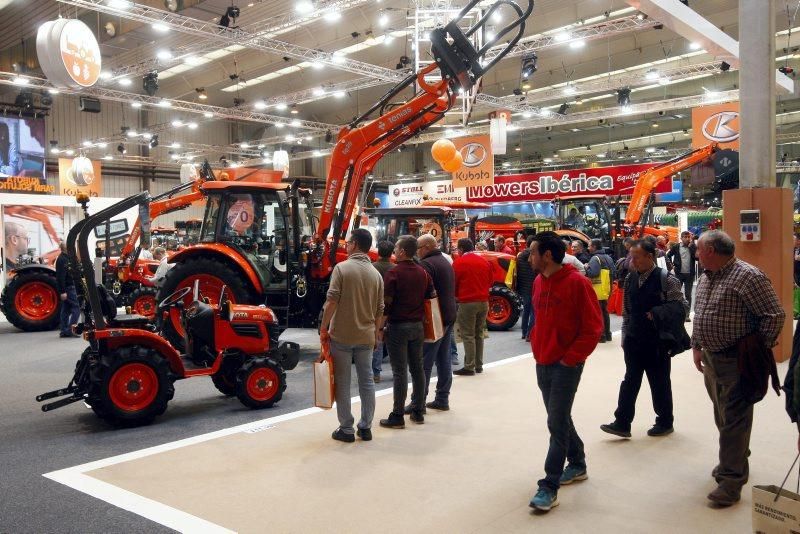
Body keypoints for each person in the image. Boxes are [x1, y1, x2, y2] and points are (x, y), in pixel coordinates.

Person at [692, 230, 785, 506]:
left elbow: (774, 315)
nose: (696, 254)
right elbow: (701, 314)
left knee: (734, 419)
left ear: (712, 251)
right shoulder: (708, 276)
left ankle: (731, 481)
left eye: (699, 250)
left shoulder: (749, 276)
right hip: (712, 359)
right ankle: (736, 458)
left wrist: (756, 348)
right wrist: (698, 346)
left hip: (737, 361)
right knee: (724, 416)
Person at [527, 231, 602, 512]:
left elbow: (593, 327)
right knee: (558, 417)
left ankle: (549, 485)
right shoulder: (538, 281)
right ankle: (578, 462)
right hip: (543, 359)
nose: (529, 256)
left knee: (556, 422)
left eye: (533, 252)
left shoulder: (577, 283)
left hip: (565, 365)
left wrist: (570, 359)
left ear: (547, 255)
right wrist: (537, 344)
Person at [600, 238, 687, 439]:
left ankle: (665, 421)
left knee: (659, 382)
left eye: (636, 256)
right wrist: (624, 334)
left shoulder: (667, 279)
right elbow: (627, 310)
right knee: (630, 381)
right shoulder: (630, 278)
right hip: (634, 339)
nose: (632, 260)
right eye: (631, 256)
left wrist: (658, 312)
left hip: (658, 341)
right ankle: (622, 422)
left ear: (650, 256)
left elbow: (683, 307)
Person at [319, 228, 385, 443]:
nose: (346, 246)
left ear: (355, 244)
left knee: (343, 381)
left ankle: (346, 428)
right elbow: (380, 309)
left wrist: (323, 327)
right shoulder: (376, 274)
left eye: (348, 243)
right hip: (366, 336)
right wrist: (376, 334)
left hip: (342, 335)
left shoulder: (342, 269)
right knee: (367, 381)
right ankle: (366, 427)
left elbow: (332, 301)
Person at [379, 235, 435, 429]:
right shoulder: (423, 272)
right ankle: (418, 411)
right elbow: (431, 296)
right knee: (417, 368)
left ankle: (397, 415)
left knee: (399, 372)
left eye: (396, 247)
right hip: (418, 326)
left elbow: (386, 305)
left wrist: (380, 327)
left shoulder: (394, 274)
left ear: (402, 251)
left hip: (398, 327)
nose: (394, 250)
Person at [406, 234, 456, 412]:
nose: (416, 253)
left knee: (423, 362)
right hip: (448, 315)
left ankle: (417, 402)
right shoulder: (444, 261)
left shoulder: (427, 264)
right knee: (444, 360)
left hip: (435, 318)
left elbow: (422, 292)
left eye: (418, 249)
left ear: (426, 247)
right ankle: (442, 398)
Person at [452, 238, 493, 376]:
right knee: (479, 333)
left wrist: (456, 295)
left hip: (468, 302)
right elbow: (490, 280)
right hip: (484, 301)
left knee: (467, 334)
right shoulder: (484, 261)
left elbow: (454, 284)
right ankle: (478, 364)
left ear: (461, 249)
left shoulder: (459, 263)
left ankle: (469, 366)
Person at [371, 240, 395, 383]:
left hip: (376, 310)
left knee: (378, 341)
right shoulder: (395, 268)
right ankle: (396, 372)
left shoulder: (372, 268)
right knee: (393, 343)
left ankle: (376, 373)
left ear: (378, 251)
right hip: (393, 310)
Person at [585, 239, 616, 343]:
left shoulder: (595, 258)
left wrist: (586, 268)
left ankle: (601, 335)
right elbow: (614, 272)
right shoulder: (608, 257)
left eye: (589, 246)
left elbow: (593, 273)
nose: (588, 248)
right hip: (607, 288)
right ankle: (608, 334)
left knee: (598, 312)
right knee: (604, 311)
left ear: (594, 247)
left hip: (597, 289)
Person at [666, 231, 697, 317]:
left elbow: (697, 258)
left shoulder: (693, 246)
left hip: (689, 274)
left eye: (688, 237)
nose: (687, 238)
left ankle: (687, 314)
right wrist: (671, 265)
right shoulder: (676, 247)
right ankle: (678, 313)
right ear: (681, 238)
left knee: (688, 294)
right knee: (677, 293)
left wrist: (692, 248)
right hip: (679, 273)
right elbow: (668, 255)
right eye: (685, 237)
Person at [55, 241, 80, 338]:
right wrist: (62, 291)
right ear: (66, 248)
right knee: (76, 308)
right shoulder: (62, 260)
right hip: (69, 287)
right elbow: (60, 277)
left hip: (68, 288)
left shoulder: (64, 258)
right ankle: (71, 330)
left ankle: (64, 330)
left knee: (66, 309)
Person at [516, 236, 537, 341]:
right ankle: (530, 333)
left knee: (526, 310)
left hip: (523, 287)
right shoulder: (534, 255)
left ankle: (524, 333)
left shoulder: (520, 256)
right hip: (533, 286)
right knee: (534, 311)